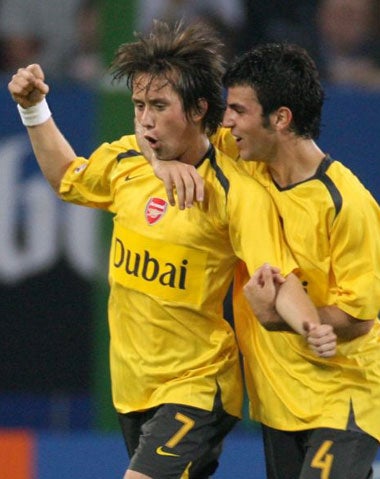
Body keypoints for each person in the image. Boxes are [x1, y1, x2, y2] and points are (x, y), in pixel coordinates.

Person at [7, 21, 336, 479]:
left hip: (198, 385)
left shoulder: (235, 190)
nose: (144, 119)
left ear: (200, 109)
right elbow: (67, 178)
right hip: (133, 385)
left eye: (160, 106)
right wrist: (34, 109)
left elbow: (275, 274)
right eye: (139, 104)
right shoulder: (128, 163)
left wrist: (309, 324)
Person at [154, 42, 380, 478]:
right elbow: (158, 129)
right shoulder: (242, 157)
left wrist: (283, 317)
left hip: (343, 395)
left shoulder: (346, 204)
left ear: (280, 118)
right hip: (278, 402)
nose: (227, 121)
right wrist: (162, 166)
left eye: (239, 110)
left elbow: (361, 319)